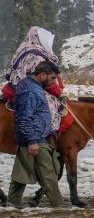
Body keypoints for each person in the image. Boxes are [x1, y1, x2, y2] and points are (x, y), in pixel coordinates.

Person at [7, 61, 63, 207]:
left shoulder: (31, 86)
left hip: (33, 138)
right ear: (42, 75)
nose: (53, 82)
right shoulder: (30, 91)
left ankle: (11, 205)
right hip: (35, 139)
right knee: (49, 174)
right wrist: (32, 140)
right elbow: (24, 118)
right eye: (52, 78)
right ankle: (58, 207)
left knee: (21, 174)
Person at [3, 26, 65, 133]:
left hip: (17, 86)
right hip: (27, 89)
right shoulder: (36, 56)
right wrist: (56, 91)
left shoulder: (24, 49)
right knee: (50, 107)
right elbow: (42, 78)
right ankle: (44, 135)